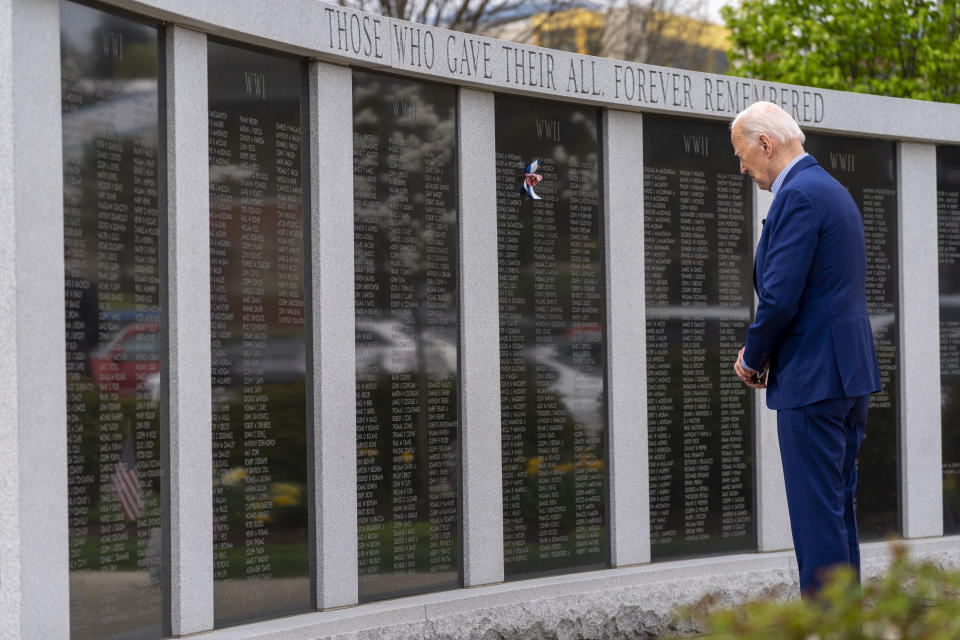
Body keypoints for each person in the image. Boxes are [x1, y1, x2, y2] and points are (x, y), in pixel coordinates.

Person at [730, 101, 881, 596]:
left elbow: (780, 295)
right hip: (846, 377)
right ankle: (844, 623)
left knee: (817, 518)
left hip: (812, 380)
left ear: (765, 144)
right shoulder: (832, 190)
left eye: (742, 153)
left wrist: (752, 358)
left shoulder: (797, 197)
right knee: (836, 510)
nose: (742, 166)